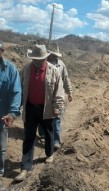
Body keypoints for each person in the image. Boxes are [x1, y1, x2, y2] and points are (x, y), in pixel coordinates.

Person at [15, 44, 65, 181]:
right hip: (30, 108)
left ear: (45, 58)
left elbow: (59, 91)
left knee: (48, 133)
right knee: (29, 137)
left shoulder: (54, 71)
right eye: (34, 59)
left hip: (46, 108)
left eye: (39, 59)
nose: (37, 62)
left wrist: (57, 106)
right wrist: (16, 107)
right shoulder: (25, 69)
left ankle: (49, 154)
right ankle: (25, 167)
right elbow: (18, 88)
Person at [38, 43, 73, 149]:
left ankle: (56, 141)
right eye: (53, 55)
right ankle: (43, 133)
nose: (55, 57)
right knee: (42, 116)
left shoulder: (61, 64)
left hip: (58, 95)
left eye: (56, 55)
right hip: (44, 95)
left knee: (57, 118)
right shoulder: (42, 64)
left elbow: (66, 78)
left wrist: (70, 92)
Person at [0, 41, 22, 190]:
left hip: (2, 115)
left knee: (1, 146)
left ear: (1, 52)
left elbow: (16, 91)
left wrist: (13, 113)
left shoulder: (10, 69)